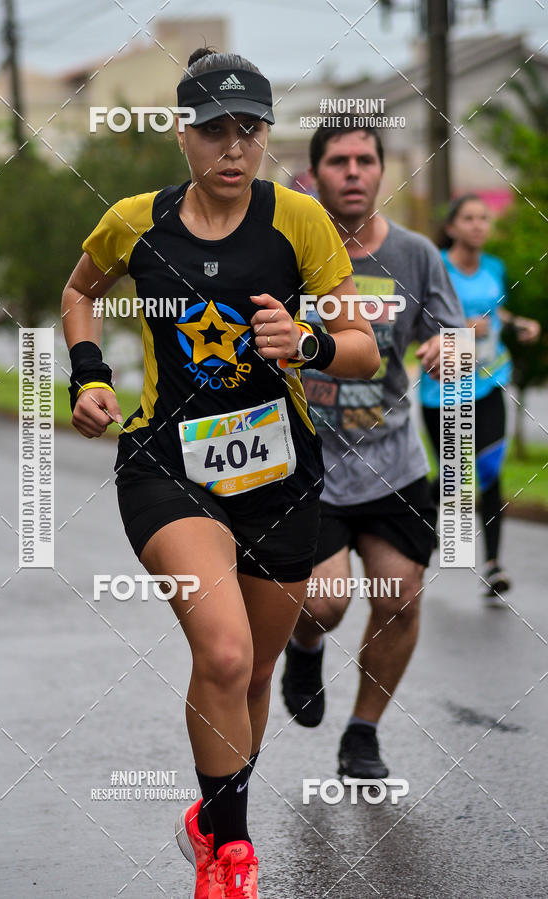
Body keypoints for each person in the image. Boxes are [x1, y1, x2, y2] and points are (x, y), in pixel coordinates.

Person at [61, 52, 379, 899]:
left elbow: (364, 348)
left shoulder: (300, 221)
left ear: (266, 135)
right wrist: (89, 376)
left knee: (255, 673)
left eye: (250, 130)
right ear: (182, 133)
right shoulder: (135, 221)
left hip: (278, 477)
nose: (233, 148)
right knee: (226, 650)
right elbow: (78, 292)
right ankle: (232, 855)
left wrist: (306, 344)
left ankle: (213, 816)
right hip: (170, 468)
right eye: (214, 130)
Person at [281, 125, 465, 780]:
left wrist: (449, 348)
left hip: (392, 463)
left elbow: (457, 334)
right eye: (339, 161)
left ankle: (363, 732)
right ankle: (305, 646)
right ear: (316, 172)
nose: (353, 172)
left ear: (383, 172)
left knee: (401, 597)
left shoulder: (415, 255)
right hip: (310, 463)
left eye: (366, 160)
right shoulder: (287, 247)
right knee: (326, 601)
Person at [420, 194, 540, 602]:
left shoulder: (494, 267)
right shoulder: (434, 264)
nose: (477, 225)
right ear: (452, 227)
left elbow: (496, 311)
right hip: (444, 387)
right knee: (453, 473)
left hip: (488, 381)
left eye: (483, 218)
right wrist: (456, 325)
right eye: (468, 218)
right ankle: (422, 515)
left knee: (487, 468)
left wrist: (516, 322)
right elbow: (418, 315)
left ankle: (493, 565)